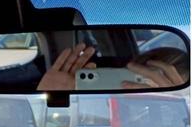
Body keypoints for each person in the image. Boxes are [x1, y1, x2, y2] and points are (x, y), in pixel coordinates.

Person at [37, 44, 188, 91]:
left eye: (162, 87)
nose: (140, 90)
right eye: (142, 80)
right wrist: (48, 95)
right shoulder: (94, 109)